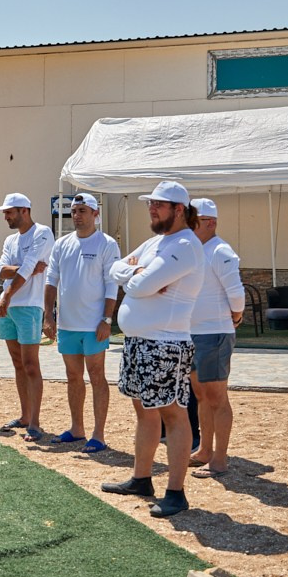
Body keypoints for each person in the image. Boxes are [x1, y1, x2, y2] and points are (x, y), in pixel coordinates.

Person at [101, 181, 205, 518]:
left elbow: (141, 285)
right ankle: (141, 478)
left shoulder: (186, 245)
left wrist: (137, 279)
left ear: (179, 209)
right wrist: (137, 273)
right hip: (138, 342)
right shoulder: (157, 242)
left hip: (166, 343)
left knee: (172, 415)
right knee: (144, 412)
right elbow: (116, 268)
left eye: (159, 205)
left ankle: (176, 491)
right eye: (150, 204)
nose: (152, 209)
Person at [42, 193, 120, 453]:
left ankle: (98, 434)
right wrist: (48, 315)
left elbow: (112, 284)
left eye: (82, 211)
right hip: (68, 325)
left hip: (94, 325)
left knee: (97, 376)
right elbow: (51, 279)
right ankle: (77, 429)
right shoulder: (62, 244)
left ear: (95, 214)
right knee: (73, 376)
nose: (77, 216)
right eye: (74, 211)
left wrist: (106, 320)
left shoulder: (106, 244)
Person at [187, 198, 245, 479]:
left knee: (216, 397)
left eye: (192, 221)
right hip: (194, 332)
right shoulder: (196, 249)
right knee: (201, 395)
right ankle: (205, 451)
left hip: (214, 333)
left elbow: (236, 293)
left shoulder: (220, 251)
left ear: (210, 223)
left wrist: (234, 317)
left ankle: (219, 459)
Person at [0, 192, 55, 442]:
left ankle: (36, 423)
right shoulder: (10, 240)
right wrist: (23, 270)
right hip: (8, 307)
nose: (6, 216)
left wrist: (7, 295)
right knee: (18, 363)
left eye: (9, 212)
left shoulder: (43, 232)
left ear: (24, 211)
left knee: (31, 365)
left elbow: (31, 265)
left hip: (28, 305)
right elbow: (0, 270)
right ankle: (25, 416)